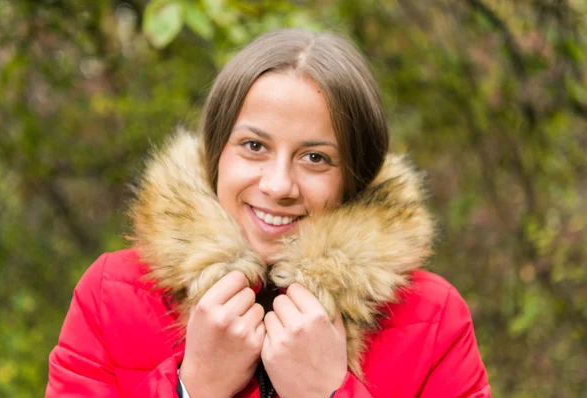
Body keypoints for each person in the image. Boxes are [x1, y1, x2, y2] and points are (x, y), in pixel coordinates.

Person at [46, 29, 490, 397]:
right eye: (254, 147)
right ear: (216, 154)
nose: (278, 185)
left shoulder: (435, 319)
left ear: (353, 177)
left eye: (315, 158)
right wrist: (194, 387)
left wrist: (327, 392)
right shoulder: (110, 295)